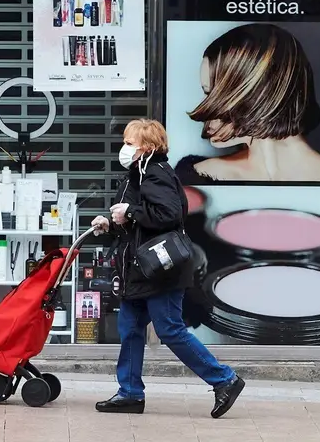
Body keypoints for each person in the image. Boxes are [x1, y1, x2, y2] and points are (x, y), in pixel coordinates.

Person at [93, 118, 245, 418]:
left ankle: (224, 379)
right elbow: (139, 223)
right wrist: (111, 223)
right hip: (140, 270)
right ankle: (130, 393)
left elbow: (168, 214)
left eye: (129, 143)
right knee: (131, 330)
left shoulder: (156, 174)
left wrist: (130, 212)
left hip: (160, 270)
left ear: (147, 147)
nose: (123, 148)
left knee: (170, 329)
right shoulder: (136, 174)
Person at [174, 23, 320, 183]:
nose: (205, 109)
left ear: (259, 93)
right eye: (207, 93)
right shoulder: (195, 177)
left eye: (213, 93)